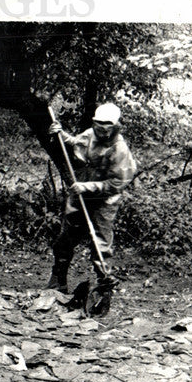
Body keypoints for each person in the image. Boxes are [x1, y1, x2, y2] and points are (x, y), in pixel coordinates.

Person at [46, 103, 137, 292]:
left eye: (107, 124)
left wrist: (87, 187)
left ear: (115, 125)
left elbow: (118, 183)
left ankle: (104, 285)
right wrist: (60, 134)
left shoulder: (120, 150)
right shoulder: (90, 134)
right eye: (99, 123)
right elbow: (74, 143)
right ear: (95, 122)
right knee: (66, 238)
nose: (103, 128)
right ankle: (58, 280)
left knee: (100, 243)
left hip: (104, 200)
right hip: (80, 196)